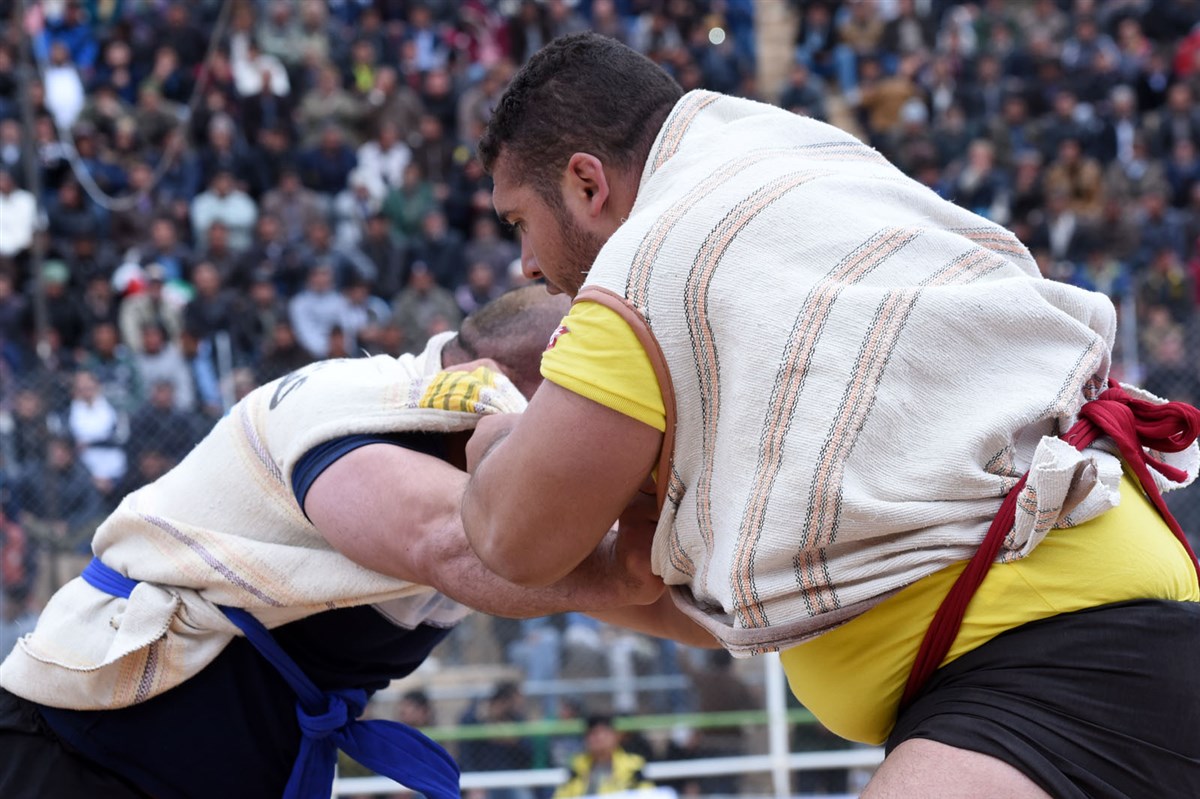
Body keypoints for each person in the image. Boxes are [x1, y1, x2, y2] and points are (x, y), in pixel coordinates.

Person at [461, 33, 1200, 799]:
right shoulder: (798, 159)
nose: (528, 265)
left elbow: (516, 537)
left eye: (519, 222)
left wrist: (493, 433)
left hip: (1043, 673)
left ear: (587, 183)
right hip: (1111, 625)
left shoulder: (645, 265)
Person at [0, 285, 713, 799]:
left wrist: (756, 603)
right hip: (78, 750)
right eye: (602, 420)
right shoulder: (353, 404)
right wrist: (631, 563)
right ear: (536, 391)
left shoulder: (511, 489)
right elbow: (460, 545)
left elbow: (662, 600)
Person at [553, 714, 655, 798]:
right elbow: (561, 795)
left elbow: (647, 794)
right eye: (593, 734)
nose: (598, 739)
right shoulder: (577, 768)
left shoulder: (633, 766)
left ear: (616, 736)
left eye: (603, 733)